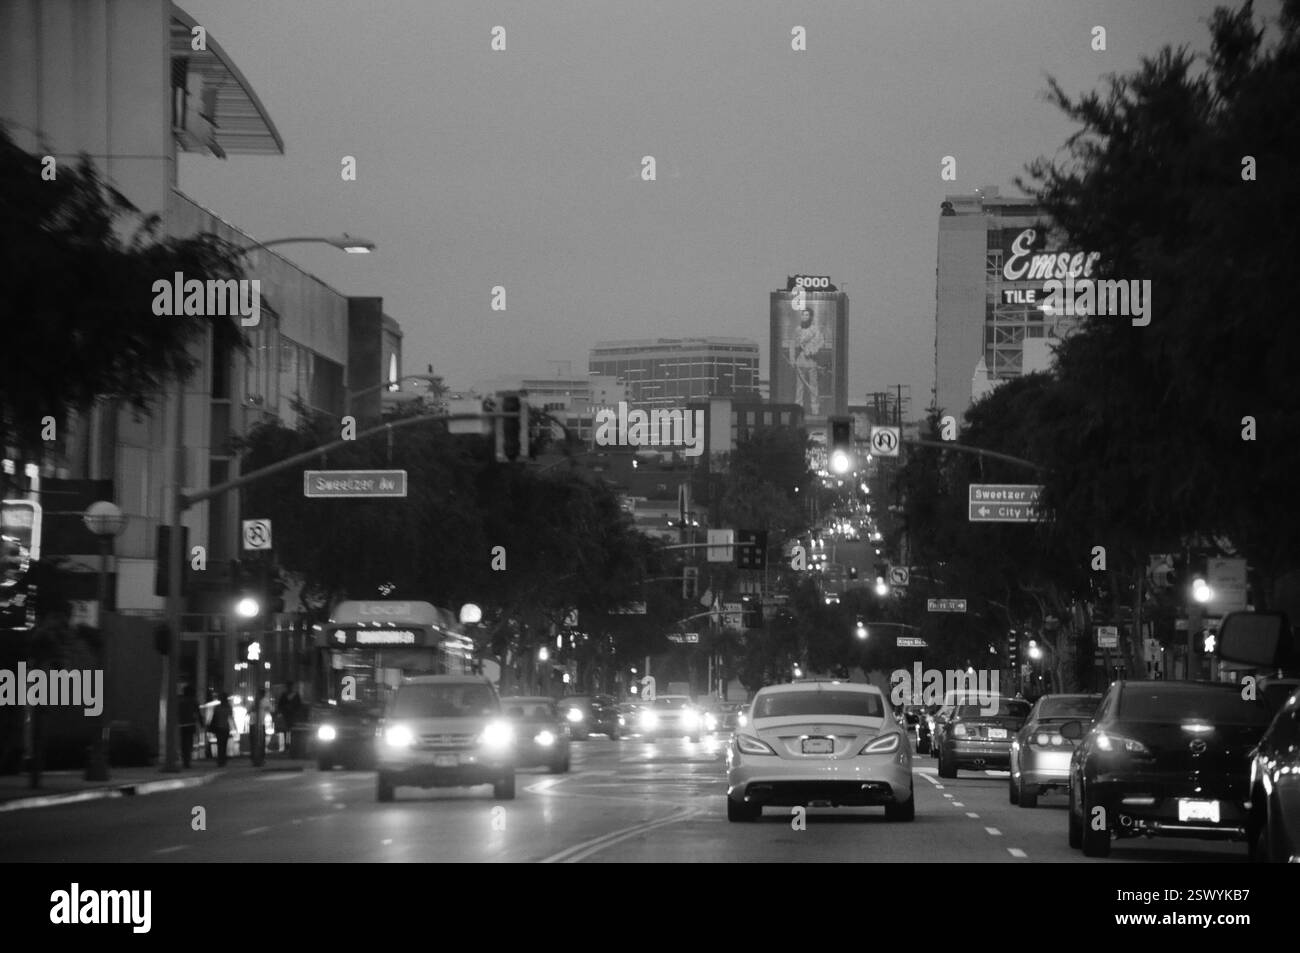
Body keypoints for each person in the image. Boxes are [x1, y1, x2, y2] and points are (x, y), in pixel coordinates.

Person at [788, 308, 825, 414]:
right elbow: (792, 344)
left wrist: (813, 351)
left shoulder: (815, 330)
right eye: (803, 315)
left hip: (811, 362)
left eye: (807, 315)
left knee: (813, 387)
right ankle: (798, 409)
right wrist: (792, 359)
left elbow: (821, 343)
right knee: (799, 388)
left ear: (811, 317)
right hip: (800, 362)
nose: (804, 317)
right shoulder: (798, 330)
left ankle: (815, 409)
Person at [209, 692, 234, 767]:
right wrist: (233, 727)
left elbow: (214, 717)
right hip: (226, 727)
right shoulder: (228, 707)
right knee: (224, 744)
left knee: (220, 744)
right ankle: (223, 760)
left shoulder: (217, 707)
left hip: (218, 727)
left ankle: (220, 760)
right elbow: (230, 717)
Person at [178, 685, 201, 769]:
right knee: (189, 743)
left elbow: (177, 712)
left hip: (182, 724)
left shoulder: (180, 701)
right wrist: (201, 723)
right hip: (191, 724)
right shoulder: (193, 701)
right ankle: (187, 761)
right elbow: (198, 713)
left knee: (183, 743)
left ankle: (185, 760)